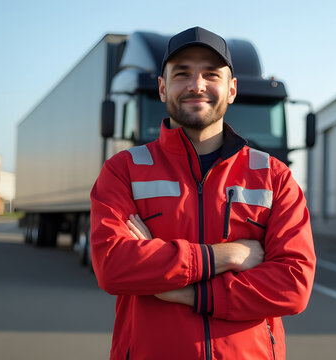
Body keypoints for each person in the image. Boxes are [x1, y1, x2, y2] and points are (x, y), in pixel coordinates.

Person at [90, 26, 316, 360]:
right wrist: (226, 256)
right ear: (163, 88)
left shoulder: (274, 177)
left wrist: (186, 293)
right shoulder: (123, 170)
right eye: (182, 74)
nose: (197, 85)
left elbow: (293, 286)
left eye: (211, 74)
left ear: (232, 89)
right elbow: (113, 267)